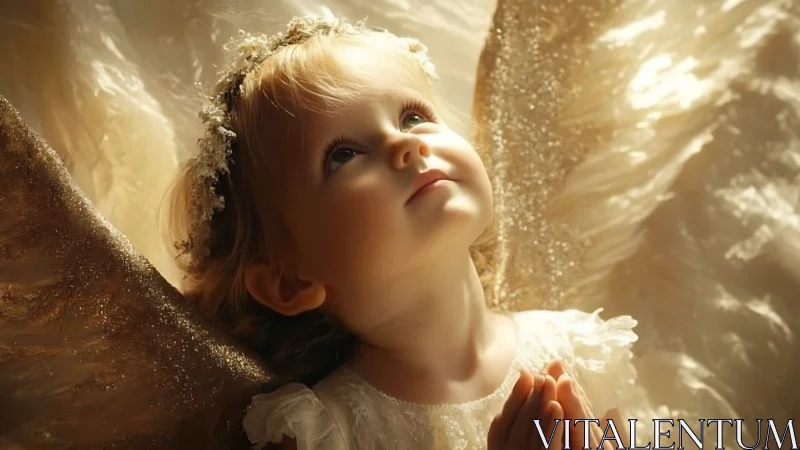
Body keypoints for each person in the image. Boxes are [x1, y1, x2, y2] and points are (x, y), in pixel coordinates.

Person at [169, 15, 638, 449]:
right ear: (289, 281)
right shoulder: (327, 433)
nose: (406, 144)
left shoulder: (578, 349)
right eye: (344, 154)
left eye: (413, 116)